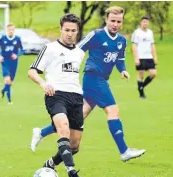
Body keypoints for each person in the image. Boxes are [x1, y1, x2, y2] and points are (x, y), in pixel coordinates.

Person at [30, 6, 146, 163]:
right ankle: (124, 151)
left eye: (118, 21)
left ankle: (41, 132)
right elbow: (78, 49)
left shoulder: (121, 41)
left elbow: (120, 59)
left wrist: (123, 70)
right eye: (112, 20)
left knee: (77, 118)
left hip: (102, 79)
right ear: (106, 20)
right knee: (113, 111)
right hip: (93, 78)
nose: (115, 24)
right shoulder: (96, 35)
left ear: (122, 22)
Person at [28, 13, 88, 177]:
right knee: (63, 129)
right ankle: (72, 173)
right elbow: (32, 71)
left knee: (74, 146)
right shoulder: (50, 48)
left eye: (73, 30)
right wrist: (43, 83)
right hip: (56, 95)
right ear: (61, 29)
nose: (69, 33)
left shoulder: (79, 53)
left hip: (76, 97)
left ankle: (51, 164)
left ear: (77, 31)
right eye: (67, 30)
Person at [0, 23, 24, 104]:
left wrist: (17, 55)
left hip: (14, 63)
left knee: (10, 83)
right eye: (9, 30)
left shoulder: (17, 39)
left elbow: (22, 50)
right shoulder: (3, 38)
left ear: (14, 30)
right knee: (7, 80)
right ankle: (9, 101)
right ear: (7, 30)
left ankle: (3, 90)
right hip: (5, 61)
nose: (11, 31)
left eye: (12, 30)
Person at [131, 16, 158, 98]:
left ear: (148, 23)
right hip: (141, 57)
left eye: (146, 22)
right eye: (143, 22)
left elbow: (152, 45)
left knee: (153, 73)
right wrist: (136, 58)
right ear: (141, 23)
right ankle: (141, 94)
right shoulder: (137, 32)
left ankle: (141, 86)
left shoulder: (150, 32)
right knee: (141, 75)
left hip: (149, 57)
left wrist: (155, 57)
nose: (145, 23)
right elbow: (134, 46)